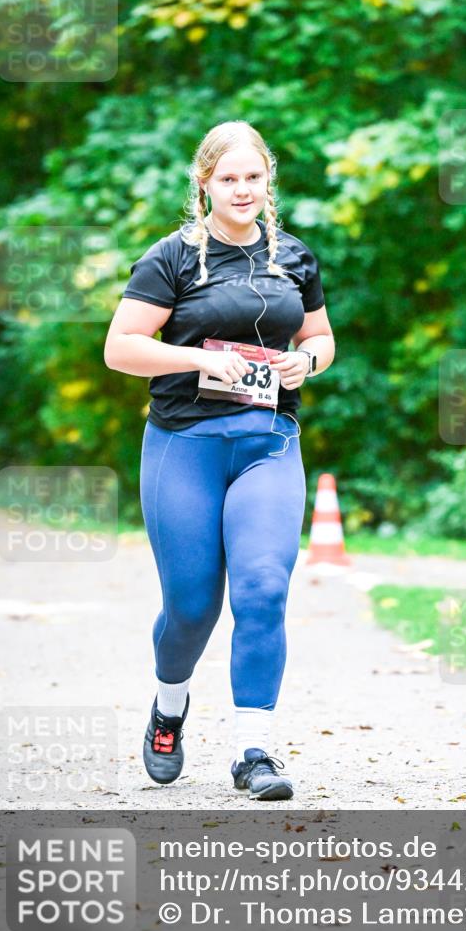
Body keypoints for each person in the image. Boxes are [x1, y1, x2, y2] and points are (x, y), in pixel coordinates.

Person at [104, 120, 335, 800]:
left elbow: (319, 336)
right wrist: (201, 357)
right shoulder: (171, 258)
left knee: (263, 588)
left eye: (253, 178)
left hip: (267, 443)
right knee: (191, 606)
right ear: (204, 183)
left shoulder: (293, 256)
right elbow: (120, 348)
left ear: (269, 184)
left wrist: (307, 361)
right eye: (227, 178)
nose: (241, 189)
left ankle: (252, 751)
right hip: (184, 446)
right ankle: (169, 706)